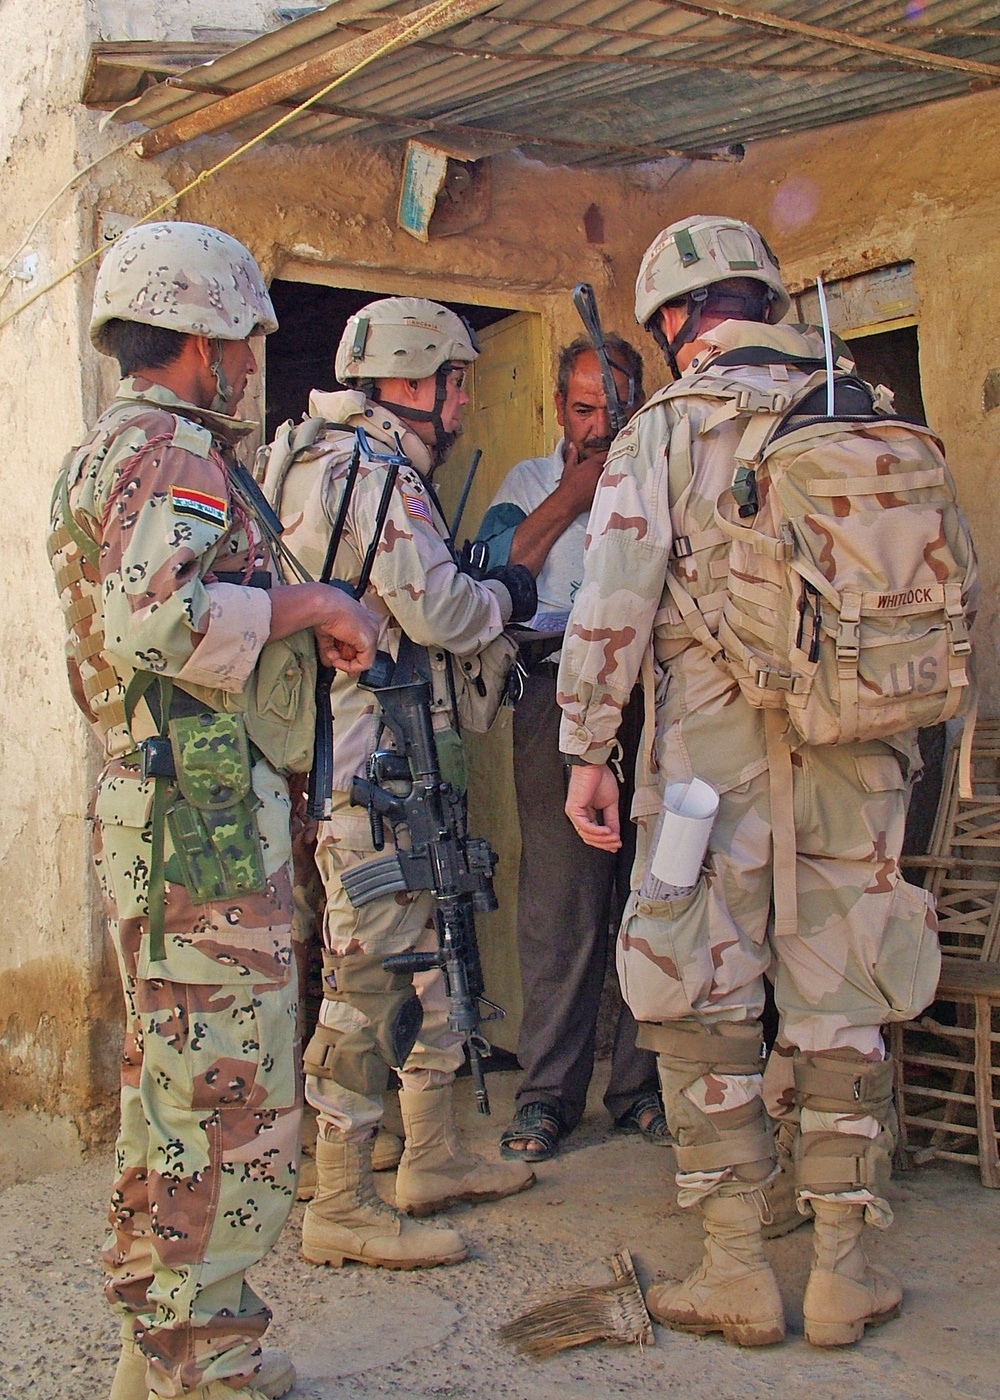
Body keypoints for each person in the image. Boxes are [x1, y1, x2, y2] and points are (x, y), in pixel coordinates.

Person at [558, 215, 942, 1349]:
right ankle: (842, 1268)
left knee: (694, 984)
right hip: (860, 749)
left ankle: (733, 1264)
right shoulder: (862, 410)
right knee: (842, 991)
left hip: (702, 776)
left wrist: (587, 744)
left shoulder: (664, 430)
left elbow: (612, 596)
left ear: (677, 318)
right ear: (762, 300)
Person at [48, 221, 379, 1400]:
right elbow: (160, 622)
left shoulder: (108, 451)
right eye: (242, 340)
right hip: (201, 822)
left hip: (162, 805)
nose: (249, 364)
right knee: (229, 1096)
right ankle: (214, 1365)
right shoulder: (175, 455)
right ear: (200, 339)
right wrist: (314, 599)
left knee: (173, 1089)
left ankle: (161, 1349)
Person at [268, 296, 538, 1274]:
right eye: (457, 378)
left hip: (368, 759)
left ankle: (431, 1154)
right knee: (367, 973)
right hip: (371, 763)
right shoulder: (374, 472)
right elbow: (440, 610)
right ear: (418, 382)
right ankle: (339, 1196)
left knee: (426, 949)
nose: (464, 397)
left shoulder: (304, 455)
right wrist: (503, 594)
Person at [475, 336, 668, 1162]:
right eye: (583, 408)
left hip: (653, 708)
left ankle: (640, 1089)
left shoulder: (662, 473)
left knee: (654, 897)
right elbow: (489, 570)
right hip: (552, 702)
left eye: (613, 409)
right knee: (562, 906)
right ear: (560, 407)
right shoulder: (525, 484)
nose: (597, 425)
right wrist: (572, 494)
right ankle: (548, 1095)